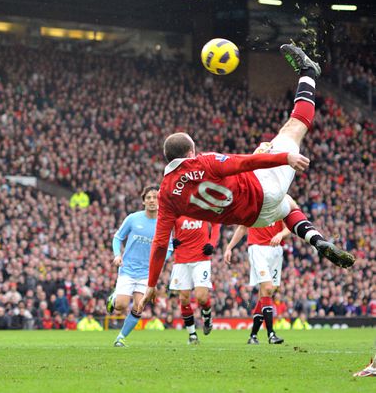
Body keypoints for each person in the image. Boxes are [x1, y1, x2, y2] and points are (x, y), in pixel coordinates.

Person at [141, 45, 355, 310]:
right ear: (190, 151)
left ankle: (315, 239)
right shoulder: (204, 161)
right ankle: (308, 72)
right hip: (263, 189)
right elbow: (245, 162)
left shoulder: (166, 195)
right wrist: (283, 158)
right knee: (293, 129)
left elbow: (160, 244)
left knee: (288, 205)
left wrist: (151, 284)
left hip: (255, 218)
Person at [106, 186, 172, 347]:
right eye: (148, 197)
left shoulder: (164, 222)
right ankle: (113, 299)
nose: (152, 200)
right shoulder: (133, 219)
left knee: (139, 306)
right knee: (121, 305)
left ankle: (120, 338)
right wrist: (117, 255)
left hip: (146, 274)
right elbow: (117, 237)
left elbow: (169, 248)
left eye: (155, 197)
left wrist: (160, 262)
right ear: (143, 201)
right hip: (128, 269)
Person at [224, 221, 291, 345]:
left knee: (266, 293)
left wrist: (280, 234)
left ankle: (253, 335)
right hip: (258, 248)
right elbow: (242, 227)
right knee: (268, 288)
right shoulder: (254, 206)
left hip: (276, 251)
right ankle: (271, 334)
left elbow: (289, 228)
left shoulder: (280, 205)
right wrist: (229, 247)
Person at [169, 216, 220, 344]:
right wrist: (171, 241)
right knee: (184, 298)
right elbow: (163, 228)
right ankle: (192, 335)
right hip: (181, 260)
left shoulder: (203, 205)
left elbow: (216, 224)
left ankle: (207, 315)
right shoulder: (177, 207)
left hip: (201, 258)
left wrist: (211, 243)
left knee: (201, 297)